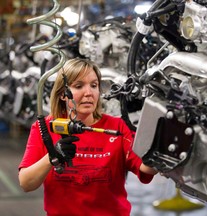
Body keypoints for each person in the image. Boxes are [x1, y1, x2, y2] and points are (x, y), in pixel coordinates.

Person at [18, 58, 157, 216]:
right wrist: (53, 157)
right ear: (63, 94)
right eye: (78, 86)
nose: (89, 93)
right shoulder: (45, 128)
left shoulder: (117, 127)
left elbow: (146, 168)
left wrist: (164, 141)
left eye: (94, 85)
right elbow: (26, 183)